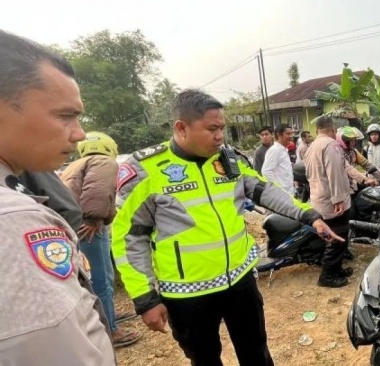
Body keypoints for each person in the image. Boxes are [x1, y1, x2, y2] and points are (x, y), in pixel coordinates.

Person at [111, 89, 341, 366]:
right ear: (181, 128)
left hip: (239, 281)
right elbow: (128, 238)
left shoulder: (227, 160)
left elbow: (265, 190)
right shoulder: (148, 171)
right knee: (205, 359)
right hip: (186, 294)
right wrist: (145, 298)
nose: (220, 136)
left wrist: (309, 215)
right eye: (212, 129)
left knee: (256, 353)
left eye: (222, 128)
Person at [0, 29, 114, 365]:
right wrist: (94, 220)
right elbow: (53, 347)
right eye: (65, 115)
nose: (79, 133)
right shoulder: (13, 219)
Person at [60, 131, 142, 348]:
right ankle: (109, 331)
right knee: (101, 279)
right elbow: (98, 189)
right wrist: (95, 219)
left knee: (90, 278)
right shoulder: (104, 161)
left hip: (71, 226)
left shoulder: (75, 164)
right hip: (89, 227)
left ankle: (109, 315)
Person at [304, 116, 356, 288]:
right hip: (332, 200)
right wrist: (339, 198)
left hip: (319, 198)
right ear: (333, 129)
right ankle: (327, 275)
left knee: (333, 237)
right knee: (337, 238)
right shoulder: (331, 144)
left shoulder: (311, 146)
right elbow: (335, 173)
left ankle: (336, 268)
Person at [262, 124, 295, 195]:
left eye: (291, 134)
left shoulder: (283, 150)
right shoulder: (274, 150)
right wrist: (278, 190)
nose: (291, 136)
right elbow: (266, 172)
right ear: (279, 135)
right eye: (288, 134)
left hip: (288, 193)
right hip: (282, 194)